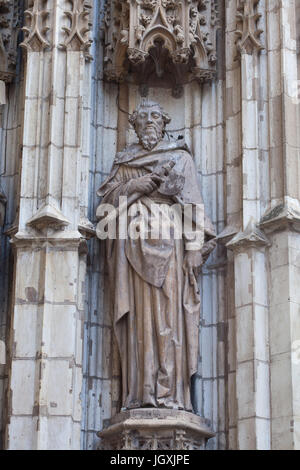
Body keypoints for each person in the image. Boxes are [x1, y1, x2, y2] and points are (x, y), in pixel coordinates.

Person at [97, 99, 216, 412]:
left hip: (171, 245)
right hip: (131, 247)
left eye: (155, 117)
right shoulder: (125, 161)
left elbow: (192, 206)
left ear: (164, 123)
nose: (149, 122)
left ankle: (171, 395)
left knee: (169, 319)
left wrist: (193, 248)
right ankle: (139, 393)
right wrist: (139, 183)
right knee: (138, 321)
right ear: (134, 124)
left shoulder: (179, 158)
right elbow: (105, 207)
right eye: (142, 117)